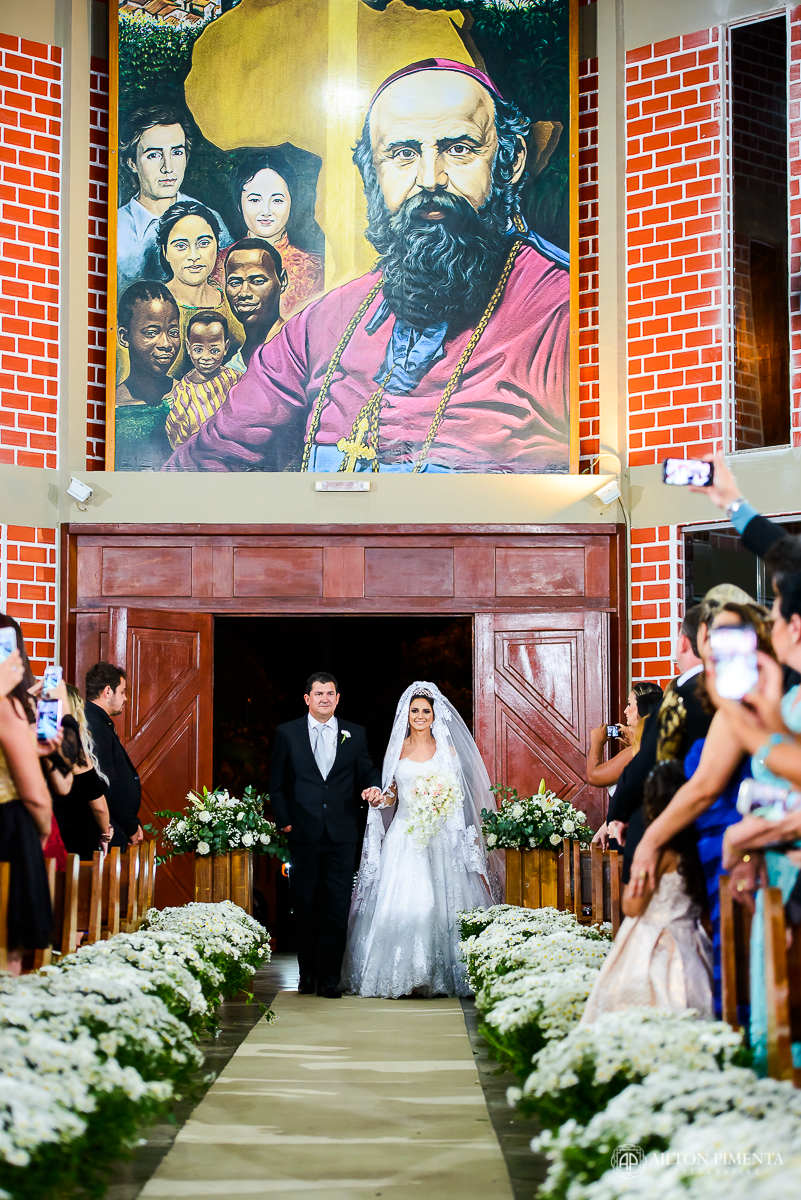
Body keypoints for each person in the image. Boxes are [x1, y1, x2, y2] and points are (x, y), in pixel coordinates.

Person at [164, 59, 569, 474]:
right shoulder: (322, 324)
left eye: (459, 149)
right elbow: (206, 461)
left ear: (510, 161)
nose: (430, 178)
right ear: (372, 173)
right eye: (403, 154)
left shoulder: (568, 314)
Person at [630, 598, 774, 1016]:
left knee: (748, 970)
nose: (713, 647)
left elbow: (706, 787)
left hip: (738, 849)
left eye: (726, 638)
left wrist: (651, 840)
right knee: (729, 965)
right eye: (710, 638)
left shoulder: (749, 710)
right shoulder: (725, 708)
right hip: (709, 851)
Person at [341, 682, 502, 999]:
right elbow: (392, 796)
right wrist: (379, 798)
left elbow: (457, 797)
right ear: (406, 714)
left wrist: (440, 809)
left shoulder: (448, 752)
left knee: (439, 905)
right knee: (412, 902)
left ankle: (438, 973)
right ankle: (407, 973)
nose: (420, 716)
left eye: (425, 711)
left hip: (439, 837)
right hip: (405, 836)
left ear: (434, 715)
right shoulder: (397, 750)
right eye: (414, 710)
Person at [716, 568, 801, 1072]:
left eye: (775, 616)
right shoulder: (787, 695)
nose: (769, 626)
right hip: (776, 874)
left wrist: (746, 835)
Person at [269, 672, 383, 998]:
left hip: (342, 833)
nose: (324, 699)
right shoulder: (287, 733)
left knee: (335, 907)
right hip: (302, 831)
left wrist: (374, 787)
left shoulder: (355, 733)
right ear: (307, 699)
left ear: (338, 698)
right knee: (304, 905)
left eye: (330, 693)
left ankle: (329, 979)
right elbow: (277, 782)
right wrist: (284, 820)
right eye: (318, 694)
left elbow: (368, 770)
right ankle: (307, 975)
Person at [581, 761, 713, 1023]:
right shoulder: (698, 848)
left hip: (654, 944)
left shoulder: (656, 853)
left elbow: (632, 907)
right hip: (692, 943)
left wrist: (634, 869)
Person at [605, 604, 708, 875]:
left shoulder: (682, 697)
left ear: (683, 642)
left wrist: (616, 815)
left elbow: (643, 766)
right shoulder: (734, 690)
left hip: (674, 832)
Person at [117, 104, 231, 294]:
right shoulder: (117, 227)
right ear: (132, 163)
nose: (168, 168)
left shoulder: (209, 219)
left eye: (177, 153)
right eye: (154, 155)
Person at [0, 623, 53, 973]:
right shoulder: (6, 706)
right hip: (8, 827)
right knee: (8, 951)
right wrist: (43, 830)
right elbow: (35, 796)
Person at [156, 200, 245, 379]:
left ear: (217, 246)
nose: (194, 256)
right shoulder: (153, 306)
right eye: (181, 246)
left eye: (203, 243)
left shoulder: (233, 299)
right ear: (165, 252)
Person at [234, 149, 324, 319]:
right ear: (239, 204)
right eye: (254, 200)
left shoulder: (316, 270)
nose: (266, 211)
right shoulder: (217, 265)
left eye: (277, 200)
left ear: (291, 203)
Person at [589, 681, 664, 849]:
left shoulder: (638, 751)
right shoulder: (652, 745)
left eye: (629, 704)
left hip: (630, 836)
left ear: (642, 708)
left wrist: (597, 743)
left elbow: (594, 777)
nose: (625, 710)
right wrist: (605, 825)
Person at [115, 281, 181, 470]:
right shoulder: (113, 409)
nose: (166, 344)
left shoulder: (189, 396)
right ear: (124, 337)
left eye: (173, 332)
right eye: (151, 333)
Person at [44, 686, 113, 861]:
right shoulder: (73, 753)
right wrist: (105, 833)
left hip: (43, 834)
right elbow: (98, 806)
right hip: (74, 839)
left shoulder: (37, 744)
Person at [84, 663, 143, 851]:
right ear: (108, 691)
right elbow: (106, 781)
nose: (125, 698)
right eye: (123, 692)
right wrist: (130, 826)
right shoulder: (94, 724)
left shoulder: (98, 721)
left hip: (115, 824)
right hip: (106, 830)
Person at [164, 312, 241, 448]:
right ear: (188, 347)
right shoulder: (183, 392)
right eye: (198, 350)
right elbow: (178, 437)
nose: (206, 357)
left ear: (226, 347)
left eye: (214, 350)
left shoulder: (236, 379)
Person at [224, 240, 286, 370]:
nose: (244, 293)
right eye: (235, 283)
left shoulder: (297, 347)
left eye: (257, 281)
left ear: (282, 280)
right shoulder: (232, 368)